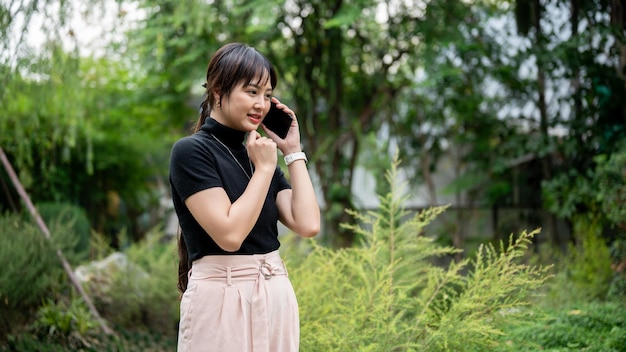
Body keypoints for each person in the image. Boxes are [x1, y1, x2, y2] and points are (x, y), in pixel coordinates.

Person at [169, 42, 320, 352]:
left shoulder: (258, 154)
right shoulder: (191, 152)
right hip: (220, 300)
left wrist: (292, 151)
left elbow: (307, 224)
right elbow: (230, 235)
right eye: (251, 92)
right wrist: (265, 169)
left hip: (275, 293)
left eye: (267, 95)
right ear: (218, 91)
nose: (261, 104)